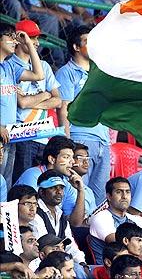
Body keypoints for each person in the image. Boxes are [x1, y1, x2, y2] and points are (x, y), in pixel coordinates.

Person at [56, 25, 110, 205]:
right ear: (76, 47)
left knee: (99, 196)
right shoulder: (67, 72)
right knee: (79, 192)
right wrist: (68, 142)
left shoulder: (99, 72)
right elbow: (63, 108)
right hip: (81, 139)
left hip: (104, 141)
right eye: (87, 41)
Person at [10, 19, 62, 183]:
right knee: (22, 183)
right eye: (32, 38)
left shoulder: (44, 66)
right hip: (21, 135)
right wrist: (45, 95)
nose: (36, 43)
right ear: (19, 39)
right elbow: (22, 103)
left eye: (37, 38)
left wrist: (32, 100)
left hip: (43, 135)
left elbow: (58, 100)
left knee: (42, 185)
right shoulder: (9, 65)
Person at [1, 22, 44, 189]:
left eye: (15, 37)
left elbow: (38, 74)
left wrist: (28, 43)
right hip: (1, 130)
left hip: (10, 133)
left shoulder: (10, 66)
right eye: (9, 38)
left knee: (5, 182)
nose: (14, 41)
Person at [15, 136, 85, 227]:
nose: (72, 162)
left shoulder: (66, 183)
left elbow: (75, 223)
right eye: (66, 157)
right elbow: (31, 216)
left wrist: (81, 191)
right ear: (52, 159)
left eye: (72, 157)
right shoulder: (33, 175)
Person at [29, 170, 88, 275]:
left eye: (61, 188)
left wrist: (82, 263)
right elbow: (42, 247)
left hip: (62, 264)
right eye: (53, 188)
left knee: (85, 269)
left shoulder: (61, 215)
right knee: (77, 271)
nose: (59, 191)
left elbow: (71, 246)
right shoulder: (36, 214)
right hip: (42, 266)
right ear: (41, 192)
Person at [89, 177, 142, 265]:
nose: (124, 196)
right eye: (119, 192)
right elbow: (120, 248)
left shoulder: (136, 220)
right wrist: (139, 252)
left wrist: (133, 252)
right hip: (108, 269)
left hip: (131, 266)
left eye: (127, 192)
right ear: (109, 196)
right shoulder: (101, 217)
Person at [72, 143, 96, 218]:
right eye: (80, 158)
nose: (86, 162)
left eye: (87, 159)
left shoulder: (89, 191)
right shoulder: (63, 185)